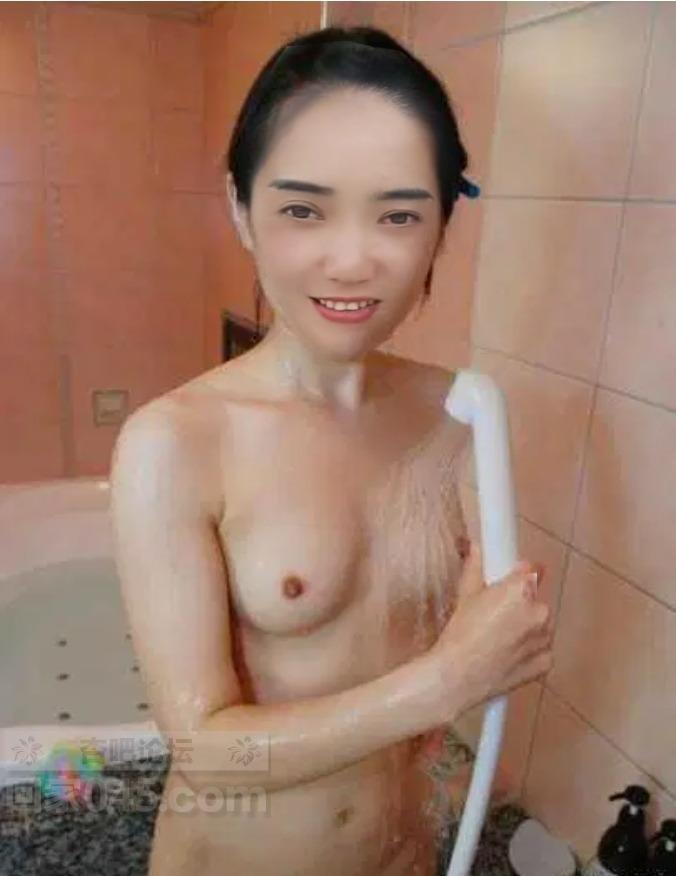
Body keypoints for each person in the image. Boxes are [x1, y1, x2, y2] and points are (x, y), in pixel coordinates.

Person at [109, 25, 554, 876]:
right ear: (241, 209)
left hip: (403, 854)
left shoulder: (453, 415)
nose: (351, 262)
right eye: (304, 210)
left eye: (398, 215)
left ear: (441, 225)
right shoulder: (178, 443)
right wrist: (448, 681)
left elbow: (464, 634)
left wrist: (493, 631)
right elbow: (206, 753)